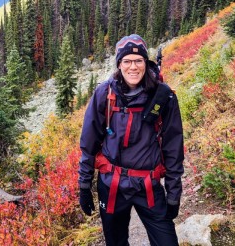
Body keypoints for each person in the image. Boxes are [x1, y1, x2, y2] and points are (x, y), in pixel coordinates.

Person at [78, 34, 184, 246]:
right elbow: (89, 144)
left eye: (138, 60)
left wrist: (173, 191)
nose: (133, 67)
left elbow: (174, 147)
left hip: (148, 186)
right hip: (111, 185)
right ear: (119, 64)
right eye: (127, 61)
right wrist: (84, 184)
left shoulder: (164, 97)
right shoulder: (104, 94)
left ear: (146, 63)